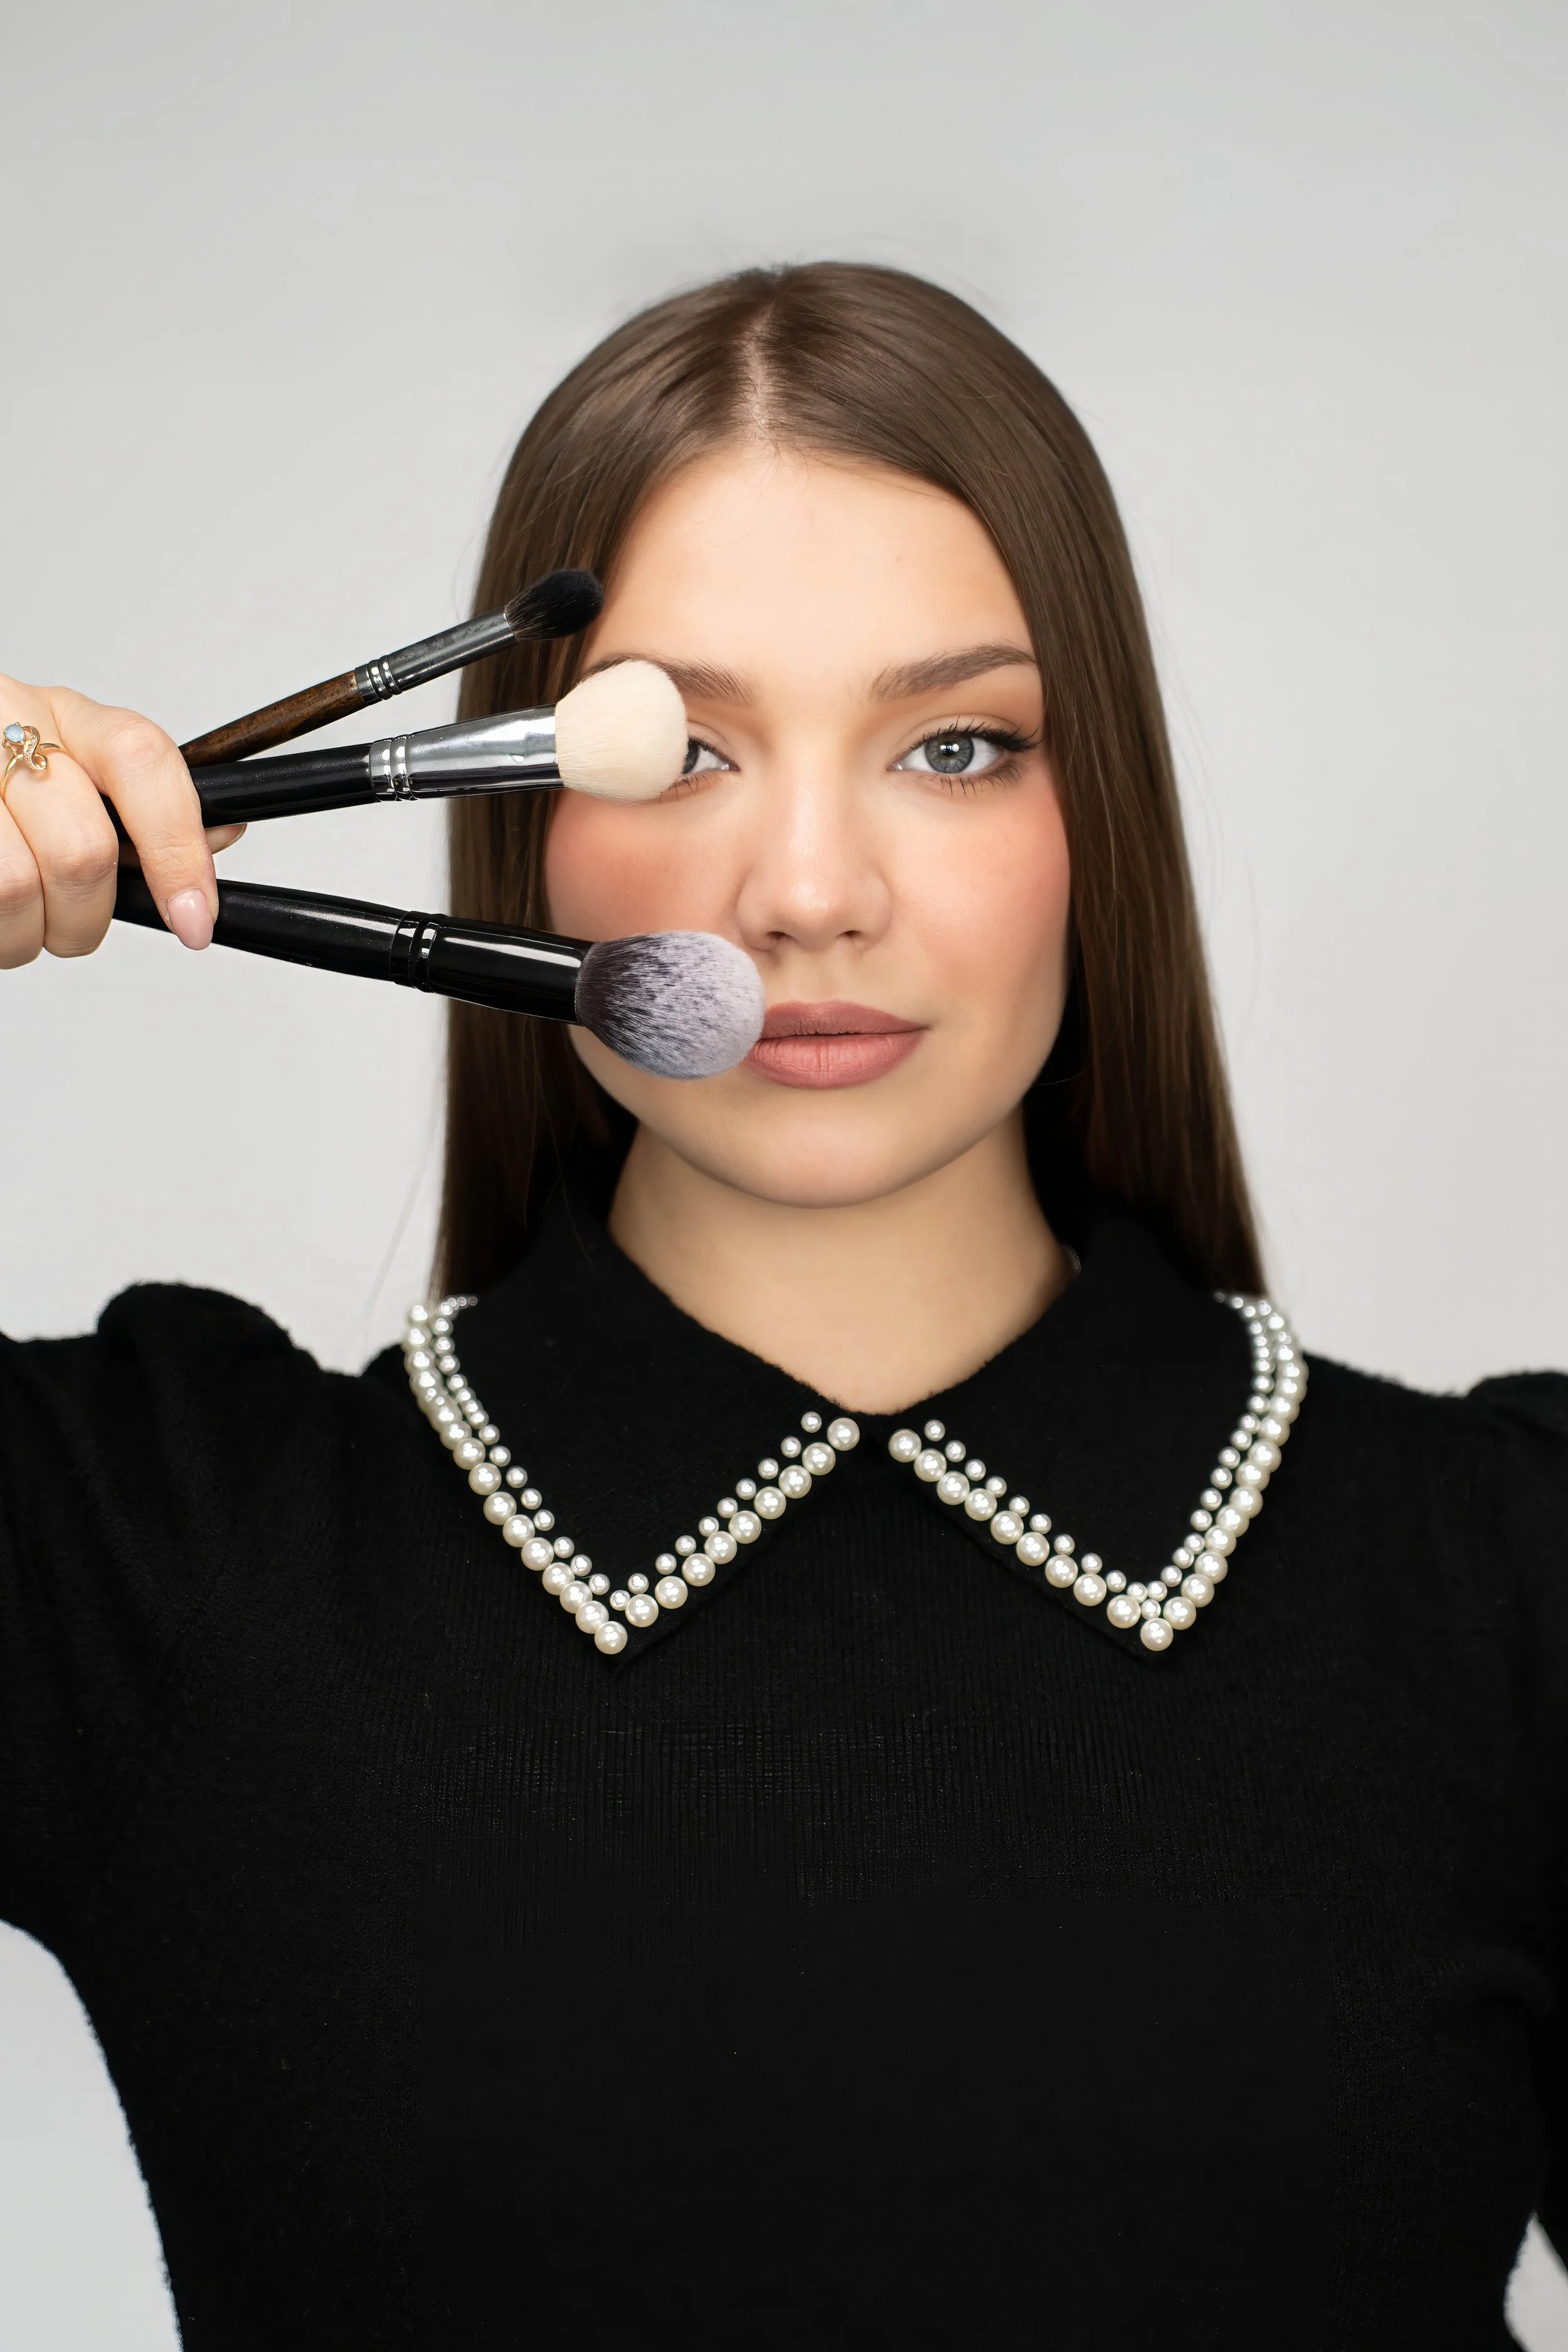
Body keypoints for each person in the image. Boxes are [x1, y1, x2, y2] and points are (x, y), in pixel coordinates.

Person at [0, 263, 1562, 2351]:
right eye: (685, 751)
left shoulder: (1509, 1581)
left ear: (1097, 809)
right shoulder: (149, 1552)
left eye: (953, 744)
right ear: (526, 830)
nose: (809, 890)